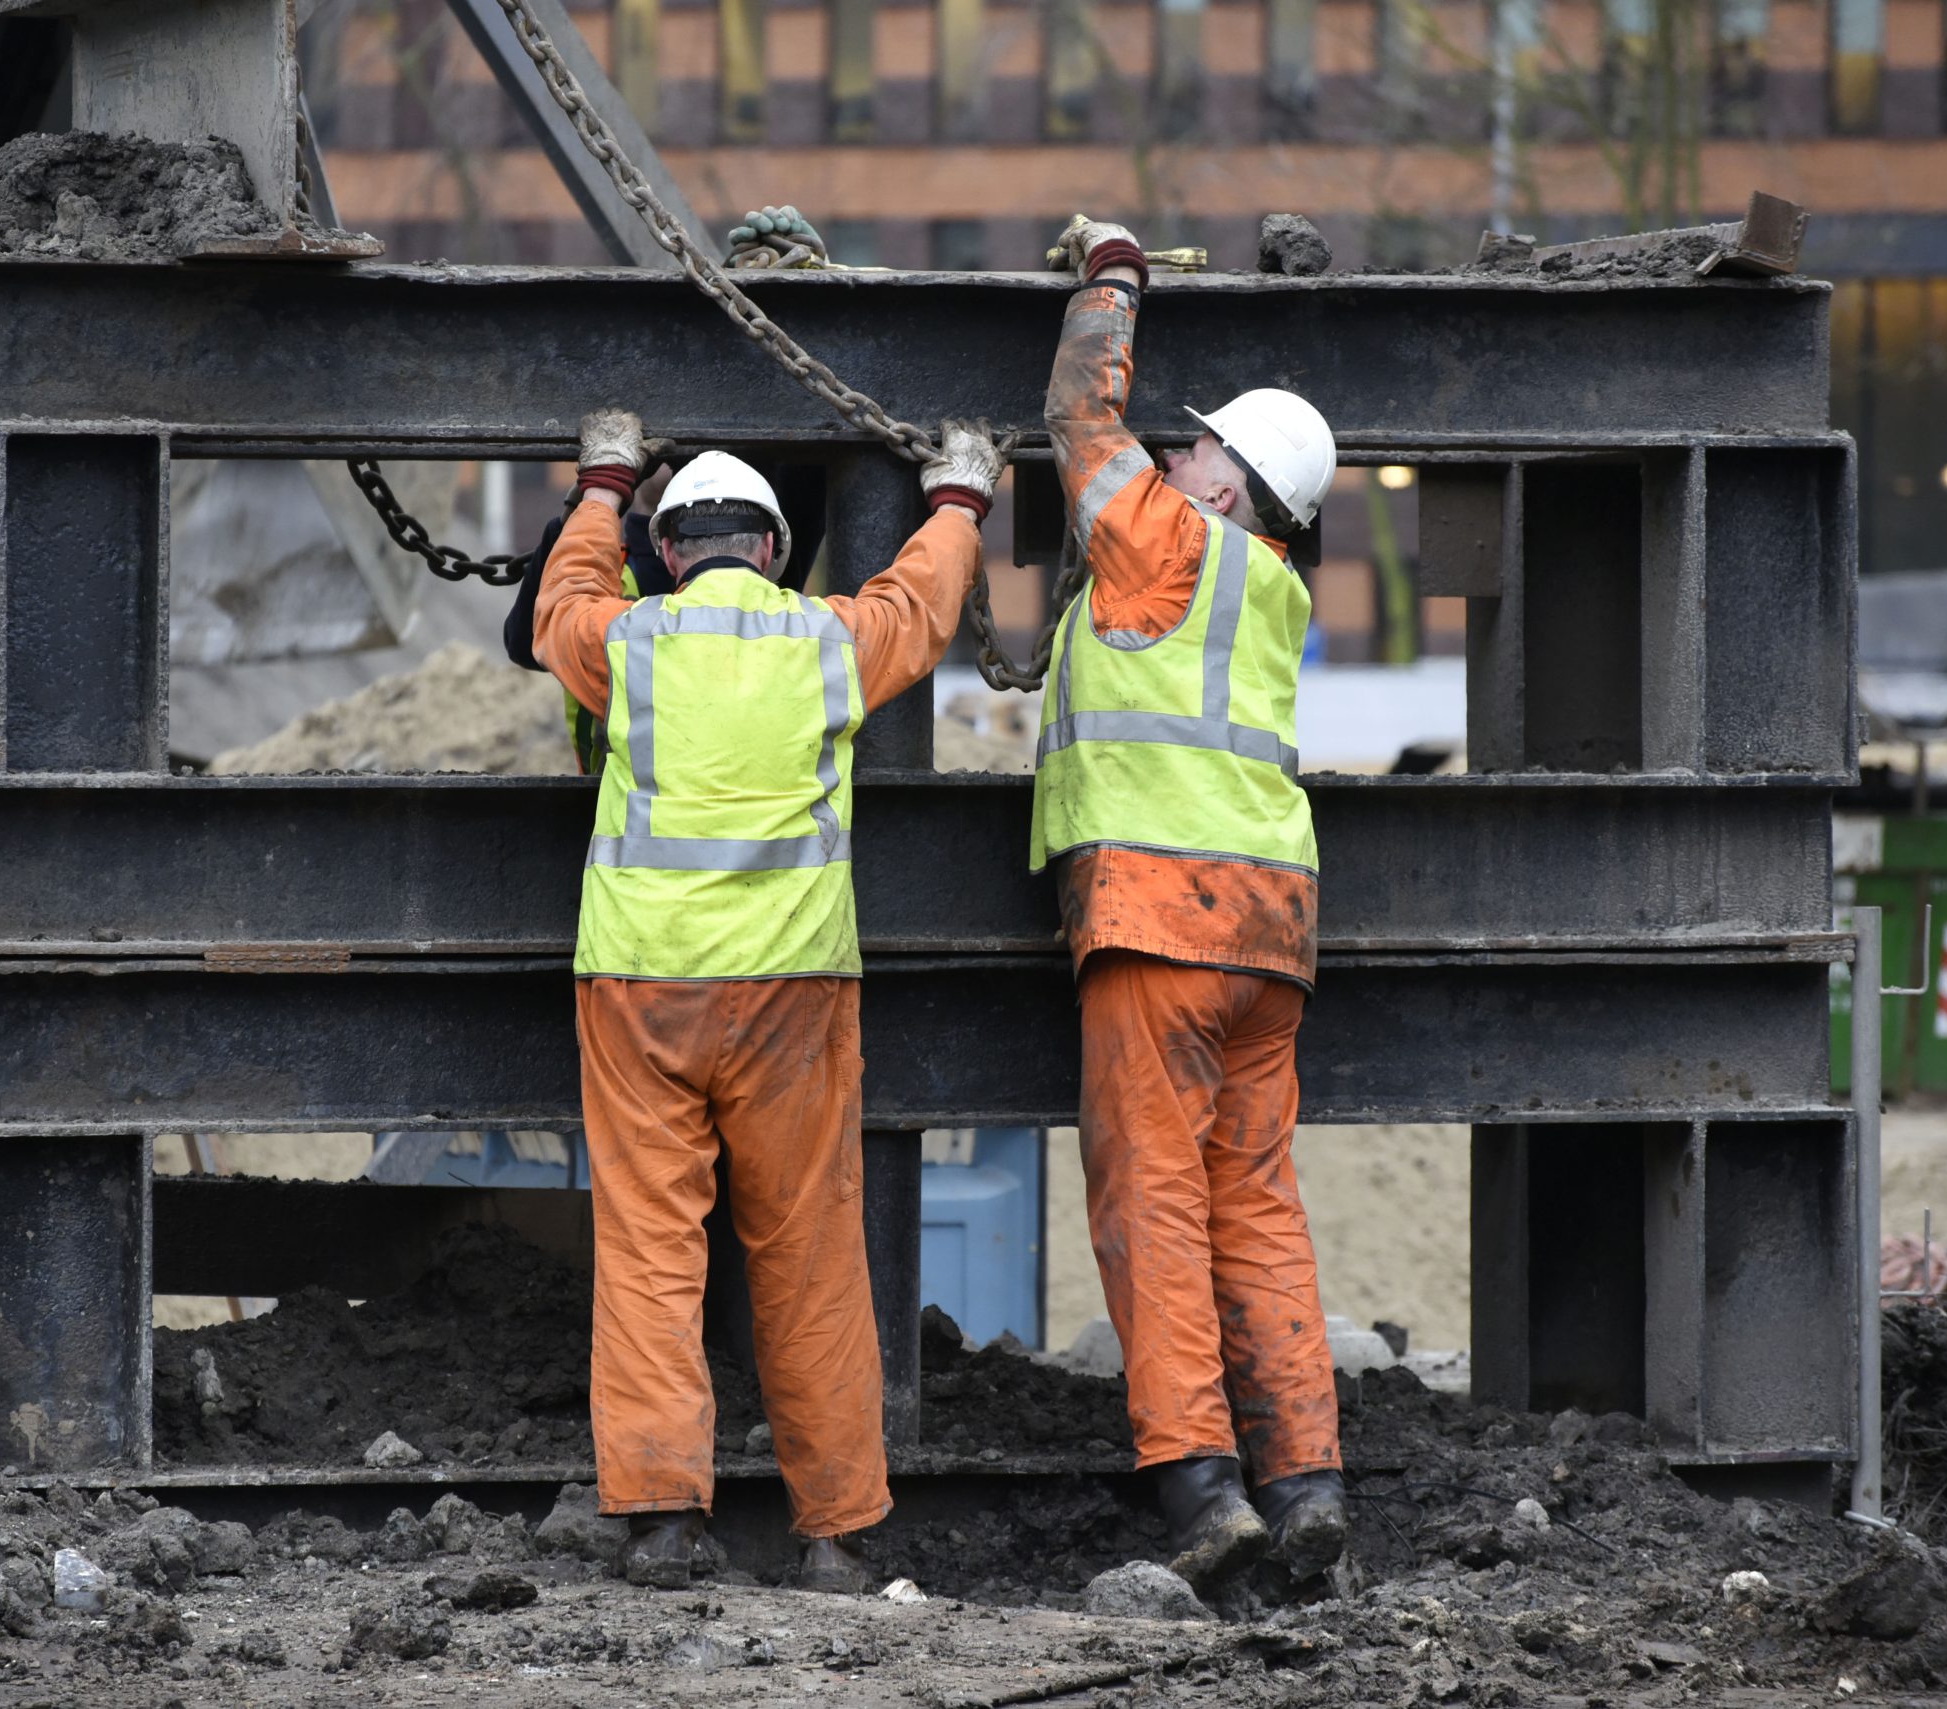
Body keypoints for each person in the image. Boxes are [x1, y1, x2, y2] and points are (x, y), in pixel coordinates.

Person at [534, 409, 1001, 1593]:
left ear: (673, 552)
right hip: (793, 991)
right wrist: (958, 498)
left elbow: (559, 604)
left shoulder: (629, 641)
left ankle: (660, 1522)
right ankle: (835, 1534)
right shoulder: (825, 640)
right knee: (807, 1254)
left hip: (641, 983)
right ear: (777, 550)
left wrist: (599, 485)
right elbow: (919, 605)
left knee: (647, 1249)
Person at [1032, 214, 1349, 1585]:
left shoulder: (1165, 540)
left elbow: (1073, 415)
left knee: (1151, 1196)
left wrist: (1112, 277)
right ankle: (1309, 1478)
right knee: (1257, 1201)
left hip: (1157, 919)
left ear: (1230, 491)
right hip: (1270, 931)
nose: (1179, 450)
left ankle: (1200, 1491)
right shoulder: (1271, 586)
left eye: (1203, 446)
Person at [501, 462, 828, 773]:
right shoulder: (787, 613)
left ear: (669, 552)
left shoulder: (599, 590)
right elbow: (525, 643)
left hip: (626, 808)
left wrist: (599, 494)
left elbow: (534, 637)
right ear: (769, 547)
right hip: (622, 792)